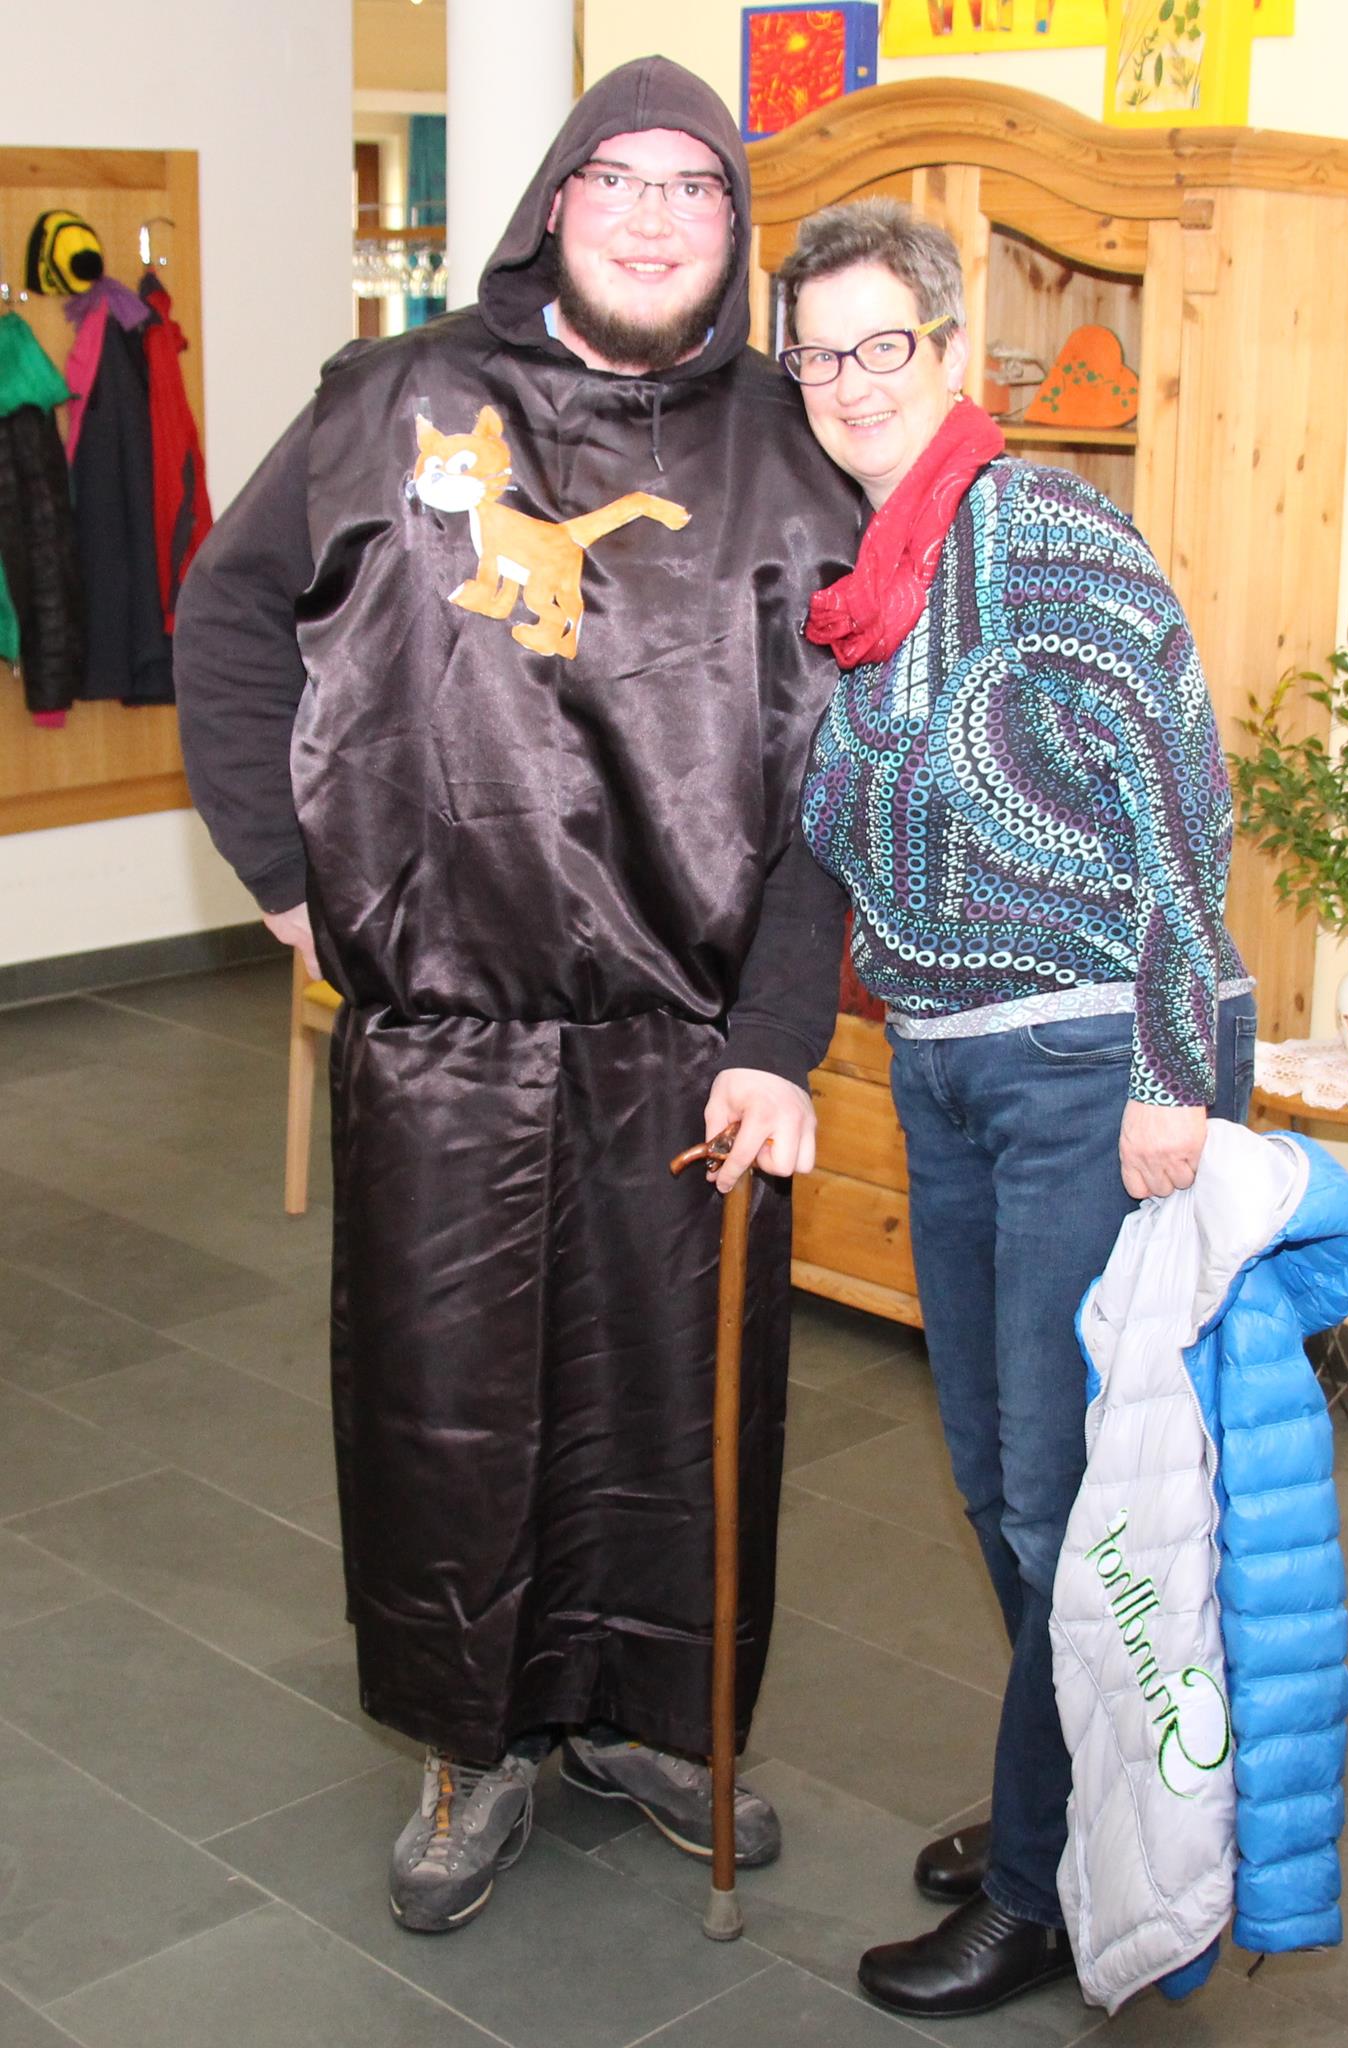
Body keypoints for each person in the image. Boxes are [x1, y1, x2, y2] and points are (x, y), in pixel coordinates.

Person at [174, 58, 857, 1936]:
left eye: (694, 188)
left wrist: (775, 1035)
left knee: (673, 1423)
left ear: (734, 228)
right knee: (447, 1412)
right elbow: (227, 616)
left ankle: (646, 1717)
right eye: (617, 178)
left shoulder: (791, 452)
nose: (652, 216)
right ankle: (470, 1743)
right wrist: (286, 877)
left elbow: (847, 769)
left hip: (685, 1046)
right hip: (448, 1032)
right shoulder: (394, 405)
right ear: (555, 201)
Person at [778, 199, 1258, 2020]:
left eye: (879, 346)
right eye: (815, 356)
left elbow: (1180, 796)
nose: (847, 383)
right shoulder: (879, 571)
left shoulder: (1043, 531)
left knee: (1063, 1499)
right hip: (951, 1066)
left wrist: (1169, 1072)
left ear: (951, 350)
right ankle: (1061, 1794)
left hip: (1083, 1068)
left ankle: (1046, 1887)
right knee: (998, 1482)